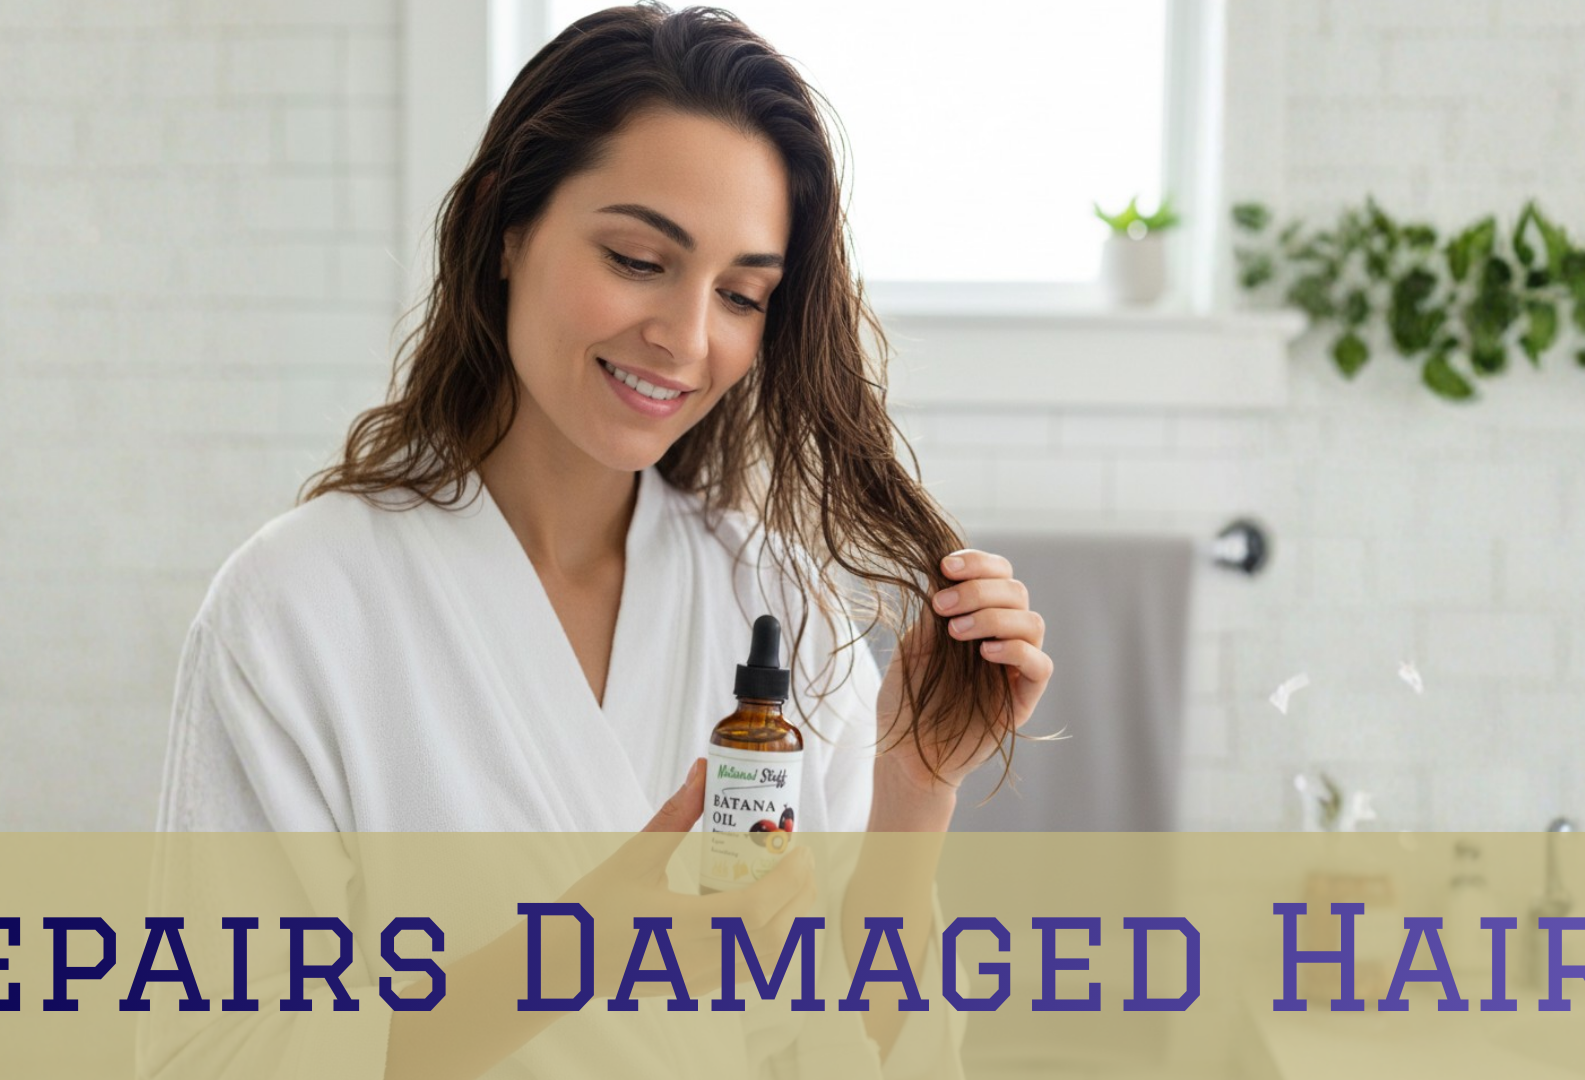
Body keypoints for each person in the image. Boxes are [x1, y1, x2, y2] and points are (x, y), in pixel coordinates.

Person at [149, 5, 1053, 1076]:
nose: (687, 337)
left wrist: (915, 792)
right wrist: (576, 951)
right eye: (636, 258)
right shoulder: (297, 606)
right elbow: (218, 1051)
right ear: (506, 225)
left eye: (741, 294)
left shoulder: (777, 601)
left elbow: (866, 1049)